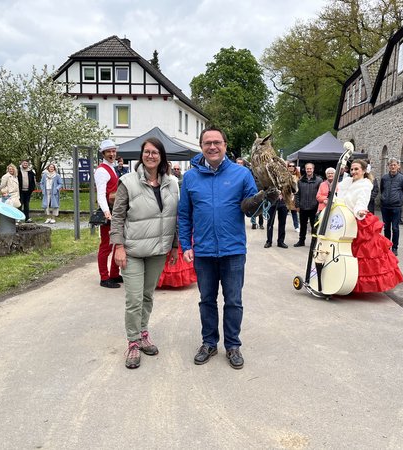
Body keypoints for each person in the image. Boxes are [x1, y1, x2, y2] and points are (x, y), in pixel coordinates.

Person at [178, 126, 277, 370]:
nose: (212, 146)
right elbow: (184, 215)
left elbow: (251, 209)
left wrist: (265, 198)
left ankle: (232, 345)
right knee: (207, 300)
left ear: (225, 145)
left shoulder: (241, 174)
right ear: (201, 146)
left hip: (233, 250)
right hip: (203, 251)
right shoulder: (190, 177)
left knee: (233, 300)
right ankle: (209, 343)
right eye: (207, 143)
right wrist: (184, 244)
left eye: (217, 142)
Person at [110, 137, 179, 369]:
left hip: (158, 251)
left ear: (161, 156)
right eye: (147, 152)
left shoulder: (172, 183)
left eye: (155, 152)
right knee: (134, 299)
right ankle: (132, 342)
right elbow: (117, 216)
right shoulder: (127, 182)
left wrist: (175, 246)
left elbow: (176, 217)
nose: (150, 156)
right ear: (141, 155)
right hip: (133, 251)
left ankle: (143, 332)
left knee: (148, 296)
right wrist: (118, 246)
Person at [336, 159, 403, 293]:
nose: (354, 171)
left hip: (357, 220)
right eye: (352, 169)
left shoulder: (365, 185)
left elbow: (362, 201)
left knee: (361, 255)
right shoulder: (347, 182)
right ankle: (338, 278)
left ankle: (354, 284)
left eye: (357, 169)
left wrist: (360, 210)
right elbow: (339, 197)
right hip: (342, 219)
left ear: (364, 171)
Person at [95, 139, 122, 288]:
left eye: (113, 151)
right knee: (106, 245)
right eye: (109, 152)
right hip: (109, 211)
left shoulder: (111, 168)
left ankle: (114, 273)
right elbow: (101, 194)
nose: (112, 154)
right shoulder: (102, 170)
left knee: (117, 242)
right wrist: (106, 212)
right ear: (103, 154)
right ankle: (104, 277)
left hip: (115, 210)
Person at [380, 158, 403, 256]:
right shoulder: (384, 178)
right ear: (388, 166)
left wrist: (399, 200)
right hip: (385, 206)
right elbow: (382, 189)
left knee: (395, 228)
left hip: (396, 206)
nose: (393, 167)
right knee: (386, 227)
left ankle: (395, 247)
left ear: (398, 166)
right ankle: (387, 246)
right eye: (391, 165)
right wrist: (383, 199)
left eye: (394, 165)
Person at [294, 162, 322, 247]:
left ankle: (314, 242)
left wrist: (318, 207)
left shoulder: (319, 180)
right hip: (303, 207)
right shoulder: (300, 181)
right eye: (307, 168)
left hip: (314, 207)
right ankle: (301, 241)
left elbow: (320, 193)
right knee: (303, 226)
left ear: (313, 169)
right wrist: (297, 205)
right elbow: (297, 194)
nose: (309, 170)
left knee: (315, 226)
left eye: (310, 168)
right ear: (305, 169)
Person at [237, 157, 264, 230]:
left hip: (260, 189)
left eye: (241, 163)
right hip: (252, 189)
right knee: (252, 205)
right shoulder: (247, 171)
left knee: (259, 207)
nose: (239, 164)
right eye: (238, 163)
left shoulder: (250, 171)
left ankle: (261, 224)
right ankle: (254, 223)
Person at [287, 162, 300, 231]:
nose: (291, 167)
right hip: (285, 196)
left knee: (294, 211)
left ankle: (296, 226)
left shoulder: (297, 177)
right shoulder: (284, 175)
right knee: (283, 212)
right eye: (290, 166)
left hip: (294, 196)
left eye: (293, 166)